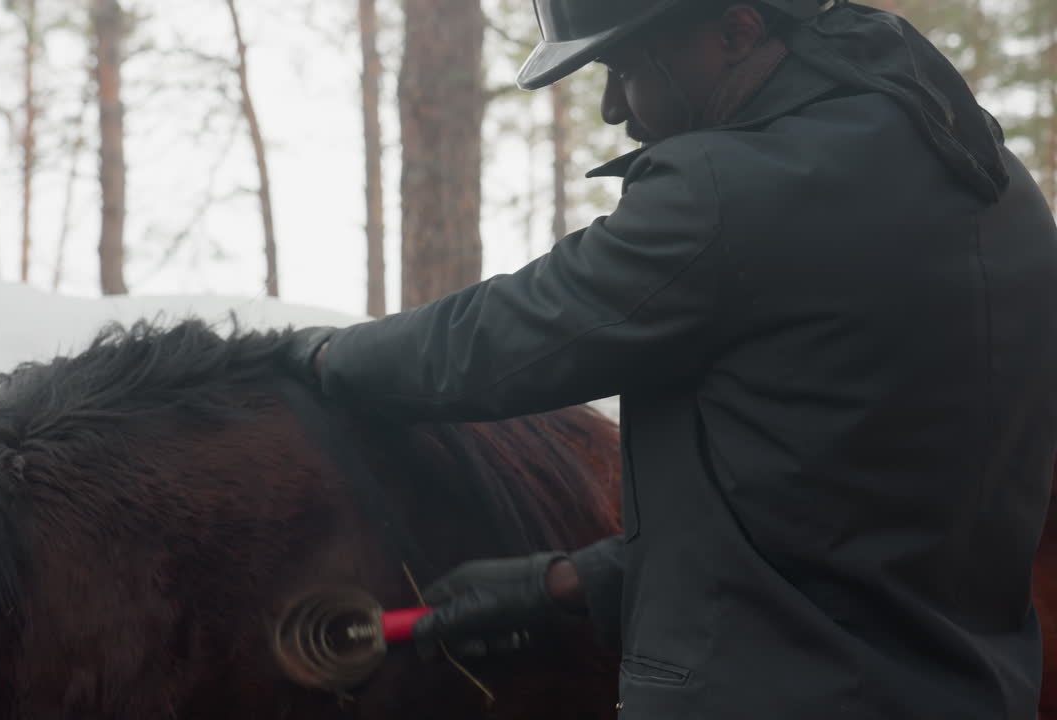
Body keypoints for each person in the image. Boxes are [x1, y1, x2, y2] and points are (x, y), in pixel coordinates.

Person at [284, 0, 1057, 717]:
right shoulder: (994, 186)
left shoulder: (732, 192)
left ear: (734, 30)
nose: (614, 110)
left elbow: (501, 339)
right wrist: (566, 585)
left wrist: (316, 354)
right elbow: (853, 513)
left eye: (626, 68)